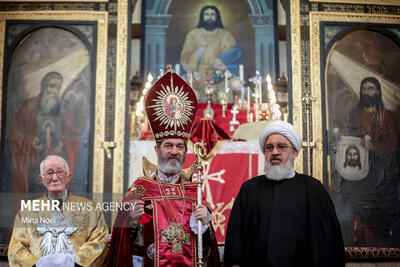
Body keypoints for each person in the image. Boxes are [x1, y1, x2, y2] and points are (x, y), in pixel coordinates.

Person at [107, 69, 220, 267]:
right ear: (157, 149)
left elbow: (207, 250)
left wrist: (206, 224)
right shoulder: (140, 189)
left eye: (179, 146)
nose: (174, 151)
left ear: (185, 152)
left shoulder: (195, 193)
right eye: (168, 145)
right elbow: (122, 242)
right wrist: (131, 221)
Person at [224, 120, 345, 267]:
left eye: (281, 147)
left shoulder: (313, 189)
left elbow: (328, 245)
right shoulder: (249, 190)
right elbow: (236, 243)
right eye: (269, 147)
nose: (275, 152)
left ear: (294, 152)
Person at [8, 155, 109, 267]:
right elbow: (17, 247)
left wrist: (75, 264)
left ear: (69, 177)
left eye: (60, 172)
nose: (55, 178)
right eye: (49, 173)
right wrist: (37, 265)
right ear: (41, 179)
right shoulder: (26, 212)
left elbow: (99, 240)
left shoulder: (91, 209)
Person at [340, 76, 400, 247]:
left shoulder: (387, 116)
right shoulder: (354, 114)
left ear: (378, 92)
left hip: (382, 177)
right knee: (360, 219)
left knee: (382, 220)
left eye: (371, 88)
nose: (366, 92)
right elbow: (348, 140)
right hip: (359, 177)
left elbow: (393, 144)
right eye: (364, 88)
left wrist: (373, 146)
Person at [10, 71, 80, 193]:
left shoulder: (66, 108)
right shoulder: (29, 106)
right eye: (52, 86)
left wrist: (62, 144)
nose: (54, 91)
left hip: (58, 163)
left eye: (58, 87)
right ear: (43, 86)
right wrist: (31, 141)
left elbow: (73, 136)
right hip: (32, 161)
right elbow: (16, 135)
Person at [180, 5, 244, 87]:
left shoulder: (225, 35)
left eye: (212, 14)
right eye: (206, 14)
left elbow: (232, 55)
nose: (209, 17)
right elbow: (185, 59)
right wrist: (201, 48)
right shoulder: (193, 34)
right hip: (199, 76)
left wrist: (220, 63)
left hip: (219, 75)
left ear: (217, 17)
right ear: (202, 16)